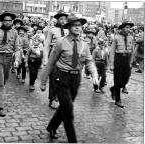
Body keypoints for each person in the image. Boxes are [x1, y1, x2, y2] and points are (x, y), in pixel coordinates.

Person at [40, 15, 98, 143]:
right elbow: (50, 62)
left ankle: (51, 127)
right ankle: (72, 140)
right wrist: (43, 81)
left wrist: (94, 75)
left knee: (65, 107)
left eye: (79, 25)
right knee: (68, 111)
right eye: (75, 25)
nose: (78, 27)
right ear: (69, 27)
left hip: (76, 78)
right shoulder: (61, 42)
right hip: (61, 77)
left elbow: (89, 61)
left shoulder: (84, 44)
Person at [0, 12, 21, 117]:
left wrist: (17, 60)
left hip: (9, 58)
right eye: (6, 20)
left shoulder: (15, 33)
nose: (8, 22)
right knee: (0, 82)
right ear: (2, 21)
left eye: (10, 21)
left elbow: (17, 48)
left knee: (4, 81)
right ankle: (0, 107)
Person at [43, 10, 68, 109]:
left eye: (65, 19)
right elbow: (46, 45)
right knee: (53, 77)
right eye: (61, 19)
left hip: (65, 56)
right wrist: (45, 58)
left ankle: (58, 97)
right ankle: (52, 99)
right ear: (57, 19)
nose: (63, 21)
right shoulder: (52, 30)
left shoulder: (68, 30)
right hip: (54, 54)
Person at [109, 21, 135, 108]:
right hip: (118, 59)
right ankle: (118, 100)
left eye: (129, 28)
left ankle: (113, 89)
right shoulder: (116, 38)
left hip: (126, 60)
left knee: (125, 80)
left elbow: (132, 51)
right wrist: (111, 64)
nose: (128, 29)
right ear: (122, 28)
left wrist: (131, 62)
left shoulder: (131, 38)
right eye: (127, 27)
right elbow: (112, 51)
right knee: (117, 80)